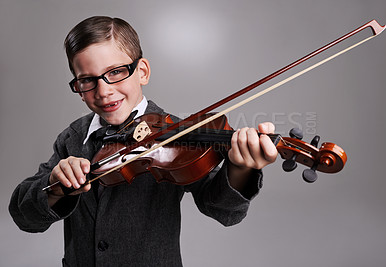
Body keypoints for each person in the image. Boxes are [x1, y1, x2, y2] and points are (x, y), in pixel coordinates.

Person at [9, 16, 277, 267]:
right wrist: (55, 188)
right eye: (88, 80)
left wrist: (241, 169)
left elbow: (222, 210)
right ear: (78, 88)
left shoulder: (179, 135)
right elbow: (24, 215)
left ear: (142, 71)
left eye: (116, 72)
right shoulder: (73, 137)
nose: (104, 91)